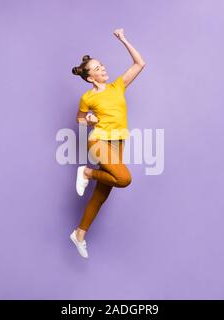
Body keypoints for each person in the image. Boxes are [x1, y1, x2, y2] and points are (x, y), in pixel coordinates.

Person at [70, 28, 146, 258]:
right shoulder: (88, 97)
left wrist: (123, 39)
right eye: (97, 68)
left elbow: (140, 63)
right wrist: (89, 119)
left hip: (117, 143)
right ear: (90, 77)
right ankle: (87, 173)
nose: (102, 68)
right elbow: (80, 119)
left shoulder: (117, 86)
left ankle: (79, 234)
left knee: (102, 195)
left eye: (101, 65)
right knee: (124, 179)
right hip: (98, 141)